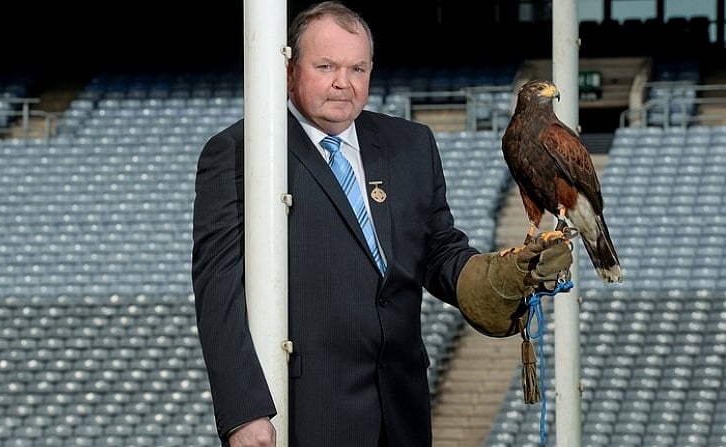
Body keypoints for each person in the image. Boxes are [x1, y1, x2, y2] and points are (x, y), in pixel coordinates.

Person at [191, 2, 573, 446]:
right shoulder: (242, 152)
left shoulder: (411, 144)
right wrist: (244, 413)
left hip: (402, 406)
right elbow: (217, 287)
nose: (343, 83)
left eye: (358, 68)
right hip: (303, 409)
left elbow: (438, 250)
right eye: (326, 66)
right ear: (289, 70)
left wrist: (495, 278)